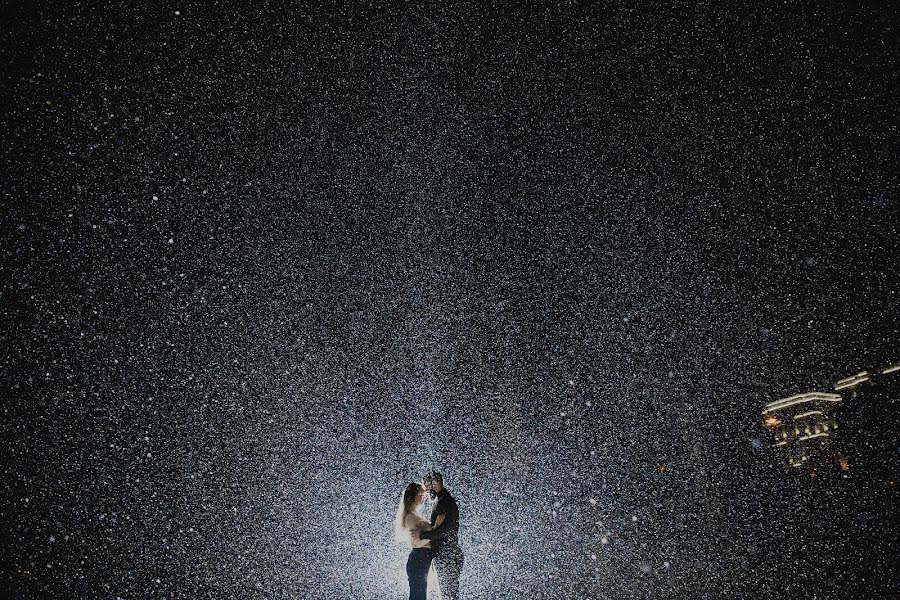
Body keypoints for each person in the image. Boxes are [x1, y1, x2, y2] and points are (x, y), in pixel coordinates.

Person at [417, 471, 464, 600]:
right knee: (448, 593)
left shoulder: (445, 501)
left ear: (435, 482)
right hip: (447, 553)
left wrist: (421, 535)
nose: (426, 489)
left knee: (449, 594)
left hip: (448, 554)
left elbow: (444, 530)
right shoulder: (441, 499)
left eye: (427, 485)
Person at [395, 482, 445, 600]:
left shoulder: (415, 514)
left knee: (419, 595)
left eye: (424, 494)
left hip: (421, 559)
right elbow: (418, 542)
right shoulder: (410, 516)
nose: (424, 497)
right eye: (421, 494)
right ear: (412, 496)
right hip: (419, 558)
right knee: (418, 596)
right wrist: (436, 527)